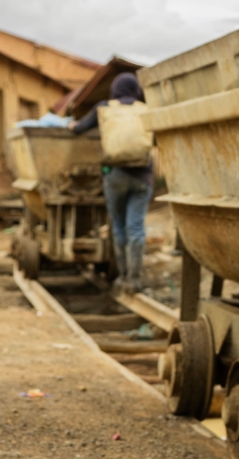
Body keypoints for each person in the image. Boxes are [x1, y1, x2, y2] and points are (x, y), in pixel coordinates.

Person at [70, 73, 153, 294]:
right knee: (136, 227)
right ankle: (135, 280)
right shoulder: (146, 109)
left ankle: (123, 277)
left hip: (115, 175)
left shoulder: (105, 107)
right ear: (136, 90)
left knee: (118, 228)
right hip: (143, 176)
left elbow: (80, 128)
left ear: (115, 89)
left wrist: (72, 126)